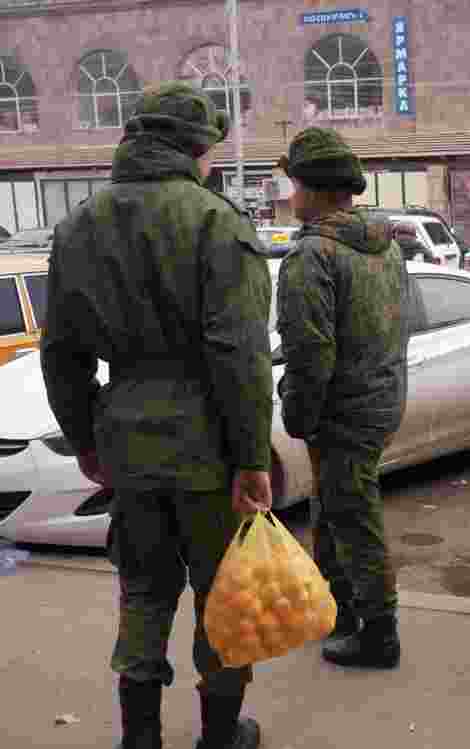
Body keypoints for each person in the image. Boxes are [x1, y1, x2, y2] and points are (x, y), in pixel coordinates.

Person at [40, 82, 273, 749]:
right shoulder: (216, 221)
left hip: (129, 449)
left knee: (142, 593)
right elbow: (241, 356)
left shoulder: (78, 226)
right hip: (208, 451)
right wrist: (252, 456)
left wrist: (86, 438)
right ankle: (221, 736)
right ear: (197, 150)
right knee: (220, 598)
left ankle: (138, 738)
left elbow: (62, 352)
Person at [275, 127, 411, 669]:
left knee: (351, 512)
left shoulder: (312, 256)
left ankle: (379, 631)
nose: (290, 196)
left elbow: (310, 353)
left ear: (313, 189)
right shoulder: (386, 245)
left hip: (342, 409)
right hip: (382, 400)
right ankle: (342, 610)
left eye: (293, 185)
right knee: (333, 505)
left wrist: (298, 414)